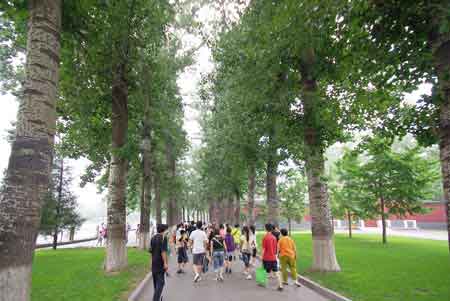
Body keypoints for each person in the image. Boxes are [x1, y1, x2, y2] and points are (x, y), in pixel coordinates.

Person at [150, 224, 169, 301]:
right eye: (166, 229)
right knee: (161, 282)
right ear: (164, 230)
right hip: (160, 262)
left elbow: (151, 252)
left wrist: (151, 263)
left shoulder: (153, 238)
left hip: (154, 262)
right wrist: (165, 263)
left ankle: (158, 297)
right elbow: (163, 251)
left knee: (156, 282)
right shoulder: (164, 238)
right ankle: (155, 299)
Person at [262, 224, 283, 291]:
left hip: (266, 258)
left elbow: (264, 249)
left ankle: (264, 283)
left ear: (266, 229)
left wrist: (262, 256)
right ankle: (280, 286)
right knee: (276, 272)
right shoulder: (274, 237)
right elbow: (276, 248)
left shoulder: (265, 237)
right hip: (273, 257)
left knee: (266, 271)